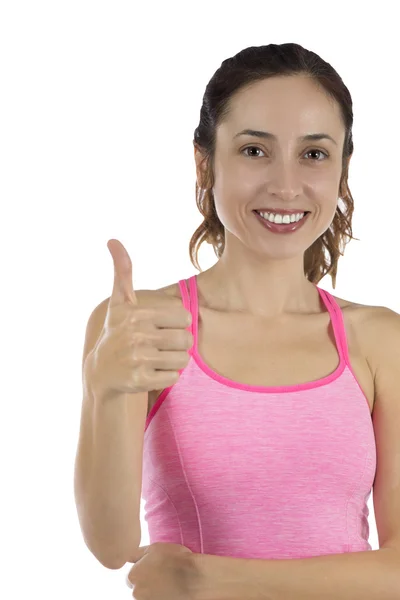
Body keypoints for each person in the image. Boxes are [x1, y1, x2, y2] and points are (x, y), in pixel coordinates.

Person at [141, 42, 377, 560]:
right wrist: (104, 388)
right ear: (205, 163)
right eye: (254, 150)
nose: (286, 186)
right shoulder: (144, 326)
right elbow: (110, 546)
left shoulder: (381, 341)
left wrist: (207, 582)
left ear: (342, 169)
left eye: (314, 154)